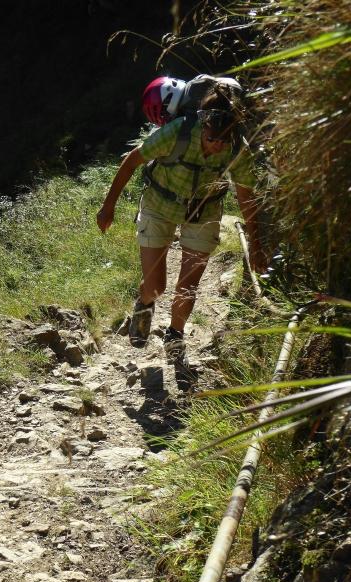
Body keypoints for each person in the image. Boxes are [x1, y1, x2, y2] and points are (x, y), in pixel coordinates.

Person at [96, 81, 268, 388]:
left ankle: (174, 338)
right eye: (213, 138)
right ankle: (144, 302)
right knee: (156, 287)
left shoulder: (236, 148)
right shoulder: (178, 131)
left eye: (223, 141)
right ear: (203, 124)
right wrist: (108, 207)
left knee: (187, 288)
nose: (217, 146)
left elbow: (245, 197)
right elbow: (132, 160)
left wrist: (256, 244)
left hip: (203, 213)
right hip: (159, 205)